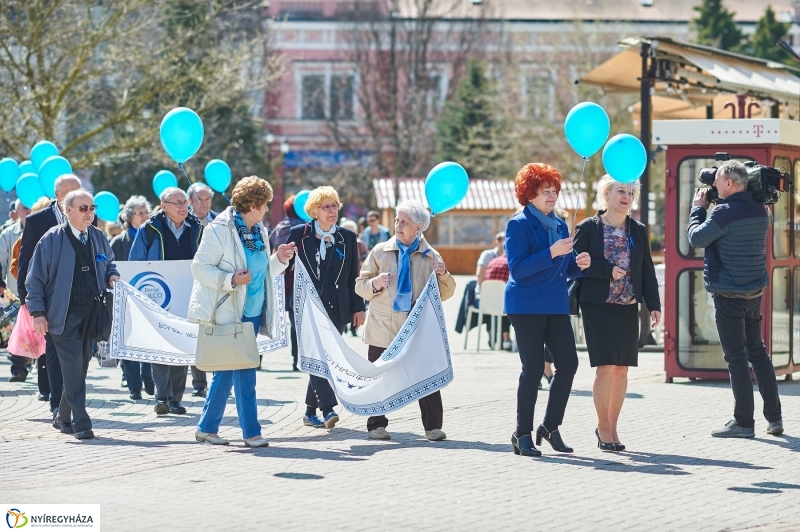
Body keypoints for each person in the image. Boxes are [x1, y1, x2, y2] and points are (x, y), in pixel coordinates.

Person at [190, 176, 295, 447]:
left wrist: (279, 260)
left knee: (226, 373)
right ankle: (252, 433)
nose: (266, 209)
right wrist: (231, 280)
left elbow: (261, 273)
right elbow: (199, 268)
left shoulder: (258, 230)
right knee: (245, 373)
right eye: (264, 204)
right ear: (253, 205)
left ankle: (206, 427)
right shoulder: (219, 229)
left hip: (253, 312)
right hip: (229, 312)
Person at [687, 160, 783, 438]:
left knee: (737, 358)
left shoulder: (724, 213)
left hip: (729, 294)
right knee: (758, 351)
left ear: (729, 184)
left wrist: (697, 209)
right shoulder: (760, 209)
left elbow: (695, 238)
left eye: (716, 180)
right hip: (754, 292)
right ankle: (774, 418)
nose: (712, 185)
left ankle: (743, 422)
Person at [505, 163, 591, 457]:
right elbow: (518, 269)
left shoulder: (561, 224)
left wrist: (578, 265)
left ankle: (550, 427)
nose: (552, 196)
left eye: (554, 190)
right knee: (532, 371)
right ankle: (522, 433)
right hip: (526, 305)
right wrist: (551, 252)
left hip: (554, 304)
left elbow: (564, 268)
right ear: (530, 195)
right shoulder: (517, 225)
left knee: (569, 364)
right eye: (545, 191)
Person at [355, 199, 456, 441]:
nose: (398, 226)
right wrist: (375, 284)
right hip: (382, 326)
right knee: (378, 377)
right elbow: (360, 286)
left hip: (416, 328)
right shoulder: (380, 251)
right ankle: (376, 425)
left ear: (419, 227)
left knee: (426, 375)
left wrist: (443, 274)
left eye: (404, 222)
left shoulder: (431, 255)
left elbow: (446, 293)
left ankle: (433, 427)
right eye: (397, 221)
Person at [574, 175, 661, 452]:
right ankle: (603, 427)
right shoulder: (588, 227)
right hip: (597, 306)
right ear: (607, 194)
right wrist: (606, 270)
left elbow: (646, 269)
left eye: (631, 192)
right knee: (606, 367)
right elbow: (577, 265)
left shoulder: (637, 229)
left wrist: (654, 304)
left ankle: (613, 427)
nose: (626, 196)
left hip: (627, 305)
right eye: (620, 191)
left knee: (622, 370)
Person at [27, 189, 120, 440]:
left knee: (80, 368)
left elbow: (109, 262)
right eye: (83, 208)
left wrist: (111, 274)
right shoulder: (51, 239)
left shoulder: (99, 237)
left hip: (92, 314)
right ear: (67, 211)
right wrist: (38, 313)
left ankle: (63, 416)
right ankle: (81, 423)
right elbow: (34, 280)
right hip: (62, 315)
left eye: (92, 208)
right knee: (72, 370)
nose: (89, 213)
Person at [287, 186, 365, 429]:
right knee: (317, 354)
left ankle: (310, 411)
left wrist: (358, 307)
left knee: (326, 358)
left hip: (337, 306)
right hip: (306, 306)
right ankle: (328, 407)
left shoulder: (348, 237)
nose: (332, 211)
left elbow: (354, 274)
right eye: (326, 207)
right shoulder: (298, 234)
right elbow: (287, 269)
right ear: (314, 211)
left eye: (335, 206)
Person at [17, 174, 85, 426]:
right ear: (57, 196)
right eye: (70, 192)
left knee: (80, 353)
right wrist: (30, 303)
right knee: (55, 352)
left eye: (79, 190)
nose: (77, 196)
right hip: (50, 300)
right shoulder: (38, 221)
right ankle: (58, 404)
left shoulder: (88, 215)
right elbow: (26, 262)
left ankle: (72, 402)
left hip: (81, 298)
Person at [129, 187, 204, 414]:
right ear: (163, 206)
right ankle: (162, 397)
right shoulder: (149, 229)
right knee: (160, 346)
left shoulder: (197, 229)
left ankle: (176, 399)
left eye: (185, 203)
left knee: (182, 346)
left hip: (188, 295)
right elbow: (136, 262)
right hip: (159, 295)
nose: (183, 207)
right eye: (178, 203)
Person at [110, 195, 155, 399]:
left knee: (149, 341)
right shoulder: (118, 242)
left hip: (151, 296)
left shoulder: (154, 236)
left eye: (147, 212)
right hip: (126, 299)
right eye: (140, 213)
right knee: (129, 342)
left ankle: (148, 377)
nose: (145, 216)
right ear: (129, 217)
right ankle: (134, 387)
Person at [3, 201, 31, 384]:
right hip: (13, 292)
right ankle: (18, 369)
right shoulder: (8, 234)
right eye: (24, 208)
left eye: (30, 207)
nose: (28, 211)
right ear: (17, 212)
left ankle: (31, 360)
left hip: (37, 291)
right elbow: (1, 260)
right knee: (15, 332)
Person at [484, 254, 512, 350]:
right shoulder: (511, 263)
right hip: (503, 304)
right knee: (509, 303)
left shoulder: (493, 262)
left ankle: (496, 336)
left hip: (487, 303)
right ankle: (506, 338)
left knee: (502, 303)